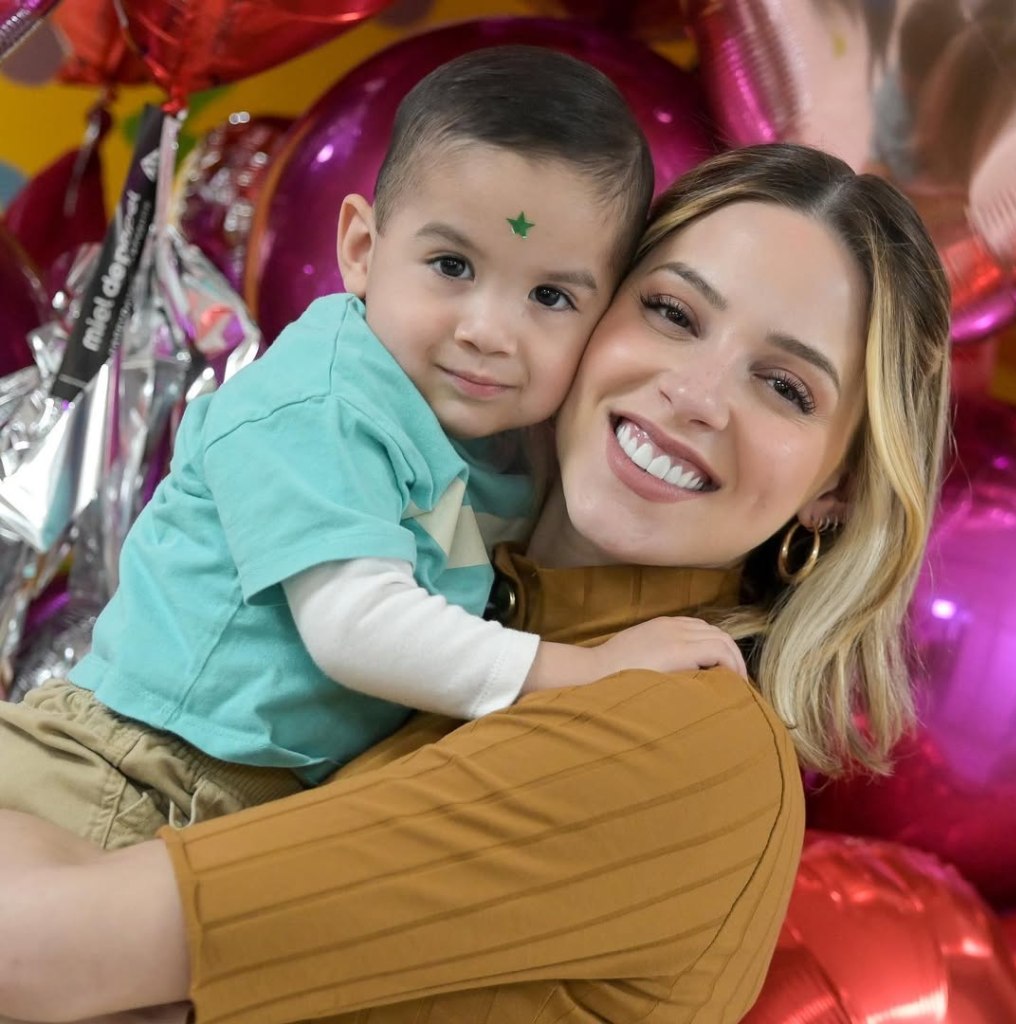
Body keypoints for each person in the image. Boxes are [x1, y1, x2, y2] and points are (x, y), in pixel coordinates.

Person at [0, 142, 951, 1024]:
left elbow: (36, 949)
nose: (695, 397)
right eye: (672, 313)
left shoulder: (688, 737)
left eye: (786, 387)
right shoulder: (430, 592)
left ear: (837, 487)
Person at [0, 46, 749, 846]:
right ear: (361, 249)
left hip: (236, 796)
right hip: (132, 770)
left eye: (550, 296)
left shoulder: (503, 440)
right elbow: (356, 625)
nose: (490, 331)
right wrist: (588, 670)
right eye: (452, 265)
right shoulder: (322, 402)